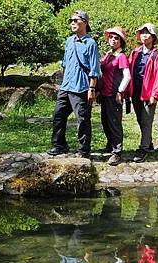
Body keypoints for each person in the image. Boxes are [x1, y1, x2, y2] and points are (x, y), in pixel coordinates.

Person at [48, 10, 100, 158]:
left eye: (76, 20)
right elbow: (65, 63)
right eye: (71, 20)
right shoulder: (69, 41)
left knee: (82, 119)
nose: (72, 23)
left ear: (85, 22)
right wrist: (63, 81)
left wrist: (92, 88)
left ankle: (84, 150)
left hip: (81, 87)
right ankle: (60, 145)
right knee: (58, 115)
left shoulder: (91, 44)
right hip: (66, 86)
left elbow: (94, 69)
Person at [128, 23, 158, 162]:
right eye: (142, 32)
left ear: (153, 37)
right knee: (139, 119)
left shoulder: (156, 55)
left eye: (147, 33)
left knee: (146, 121)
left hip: (149, 93)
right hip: (136, 91)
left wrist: (155, 95)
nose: (144, 35)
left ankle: (143, 149)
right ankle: (148, 143)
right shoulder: (135, 52)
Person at [99, 27, 130, 166]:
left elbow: (127, 76)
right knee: (105, 121)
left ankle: (117, 152)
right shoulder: (108, 54)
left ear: (121, 41)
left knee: (114, 123)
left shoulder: (121, 56)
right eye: (111, 37)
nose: (113, 39)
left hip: (114, 95)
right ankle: (110, 144)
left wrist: (120, 91)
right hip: (104, 94)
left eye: (116, 38)